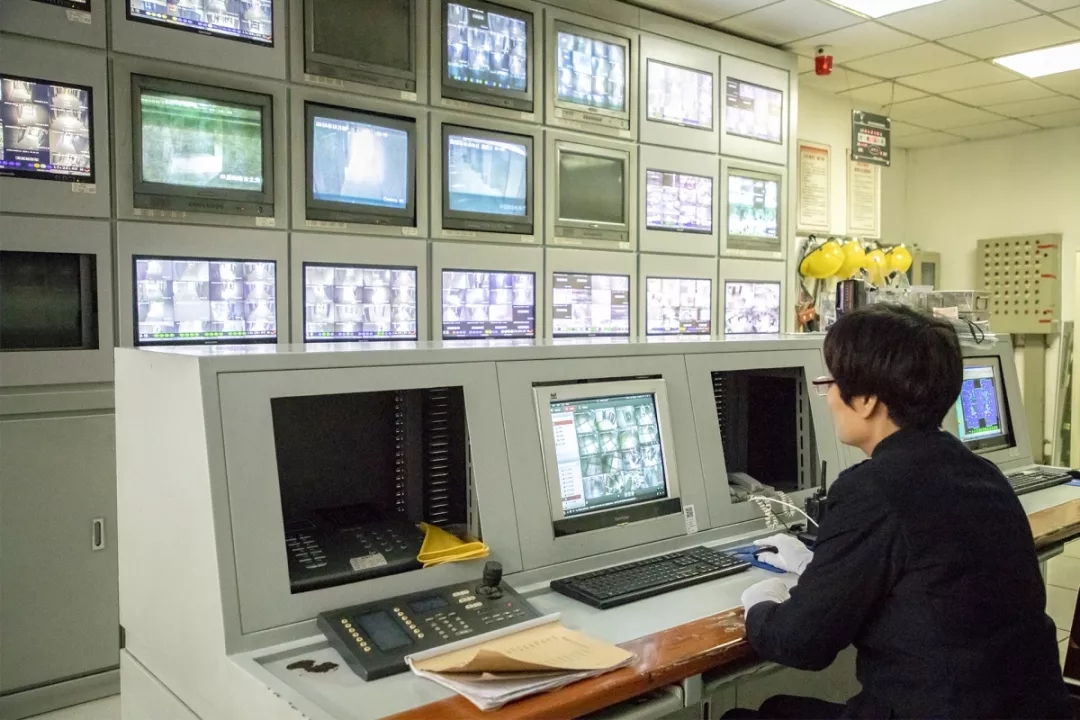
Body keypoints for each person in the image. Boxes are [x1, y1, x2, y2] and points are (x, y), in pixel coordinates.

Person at [726, 304, 1072, 719]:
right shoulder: (981, 473)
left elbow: (800, 643)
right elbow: (923, 576)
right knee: (780, 708)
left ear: (867, 400)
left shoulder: (872, 490)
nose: (829, 397)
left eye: (832, 383)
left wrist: (759, 603)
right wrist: (816, 567)